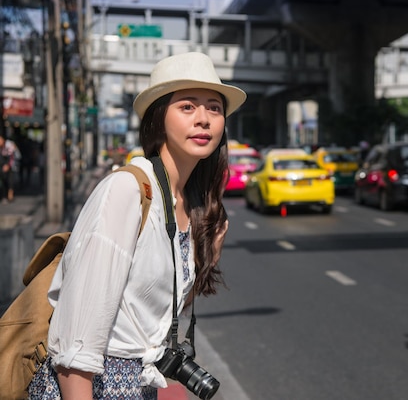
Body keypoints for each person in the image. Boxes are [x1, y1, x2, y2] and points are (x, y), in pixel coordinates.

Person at [28, 51, 247, 399]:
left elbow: (155, 316)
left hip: (139, 386)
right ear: (158, 118)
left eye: (214, 108)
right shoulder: (127, 191)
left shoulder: (188, 207)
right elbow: (75, 346)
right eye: (187, 106)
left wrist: (210, 256)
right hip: (93, 386)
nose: (204, 119)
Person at [0, 134, 20, 203]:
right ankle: (4, 196)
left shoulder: (9, 144)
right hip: (3, 165)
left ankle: (10, 195)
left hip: (10, 165)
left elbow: (11, 156)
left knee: (10, 180)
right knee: (4, 181)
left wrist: (8, 165)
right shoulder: (1, 147)